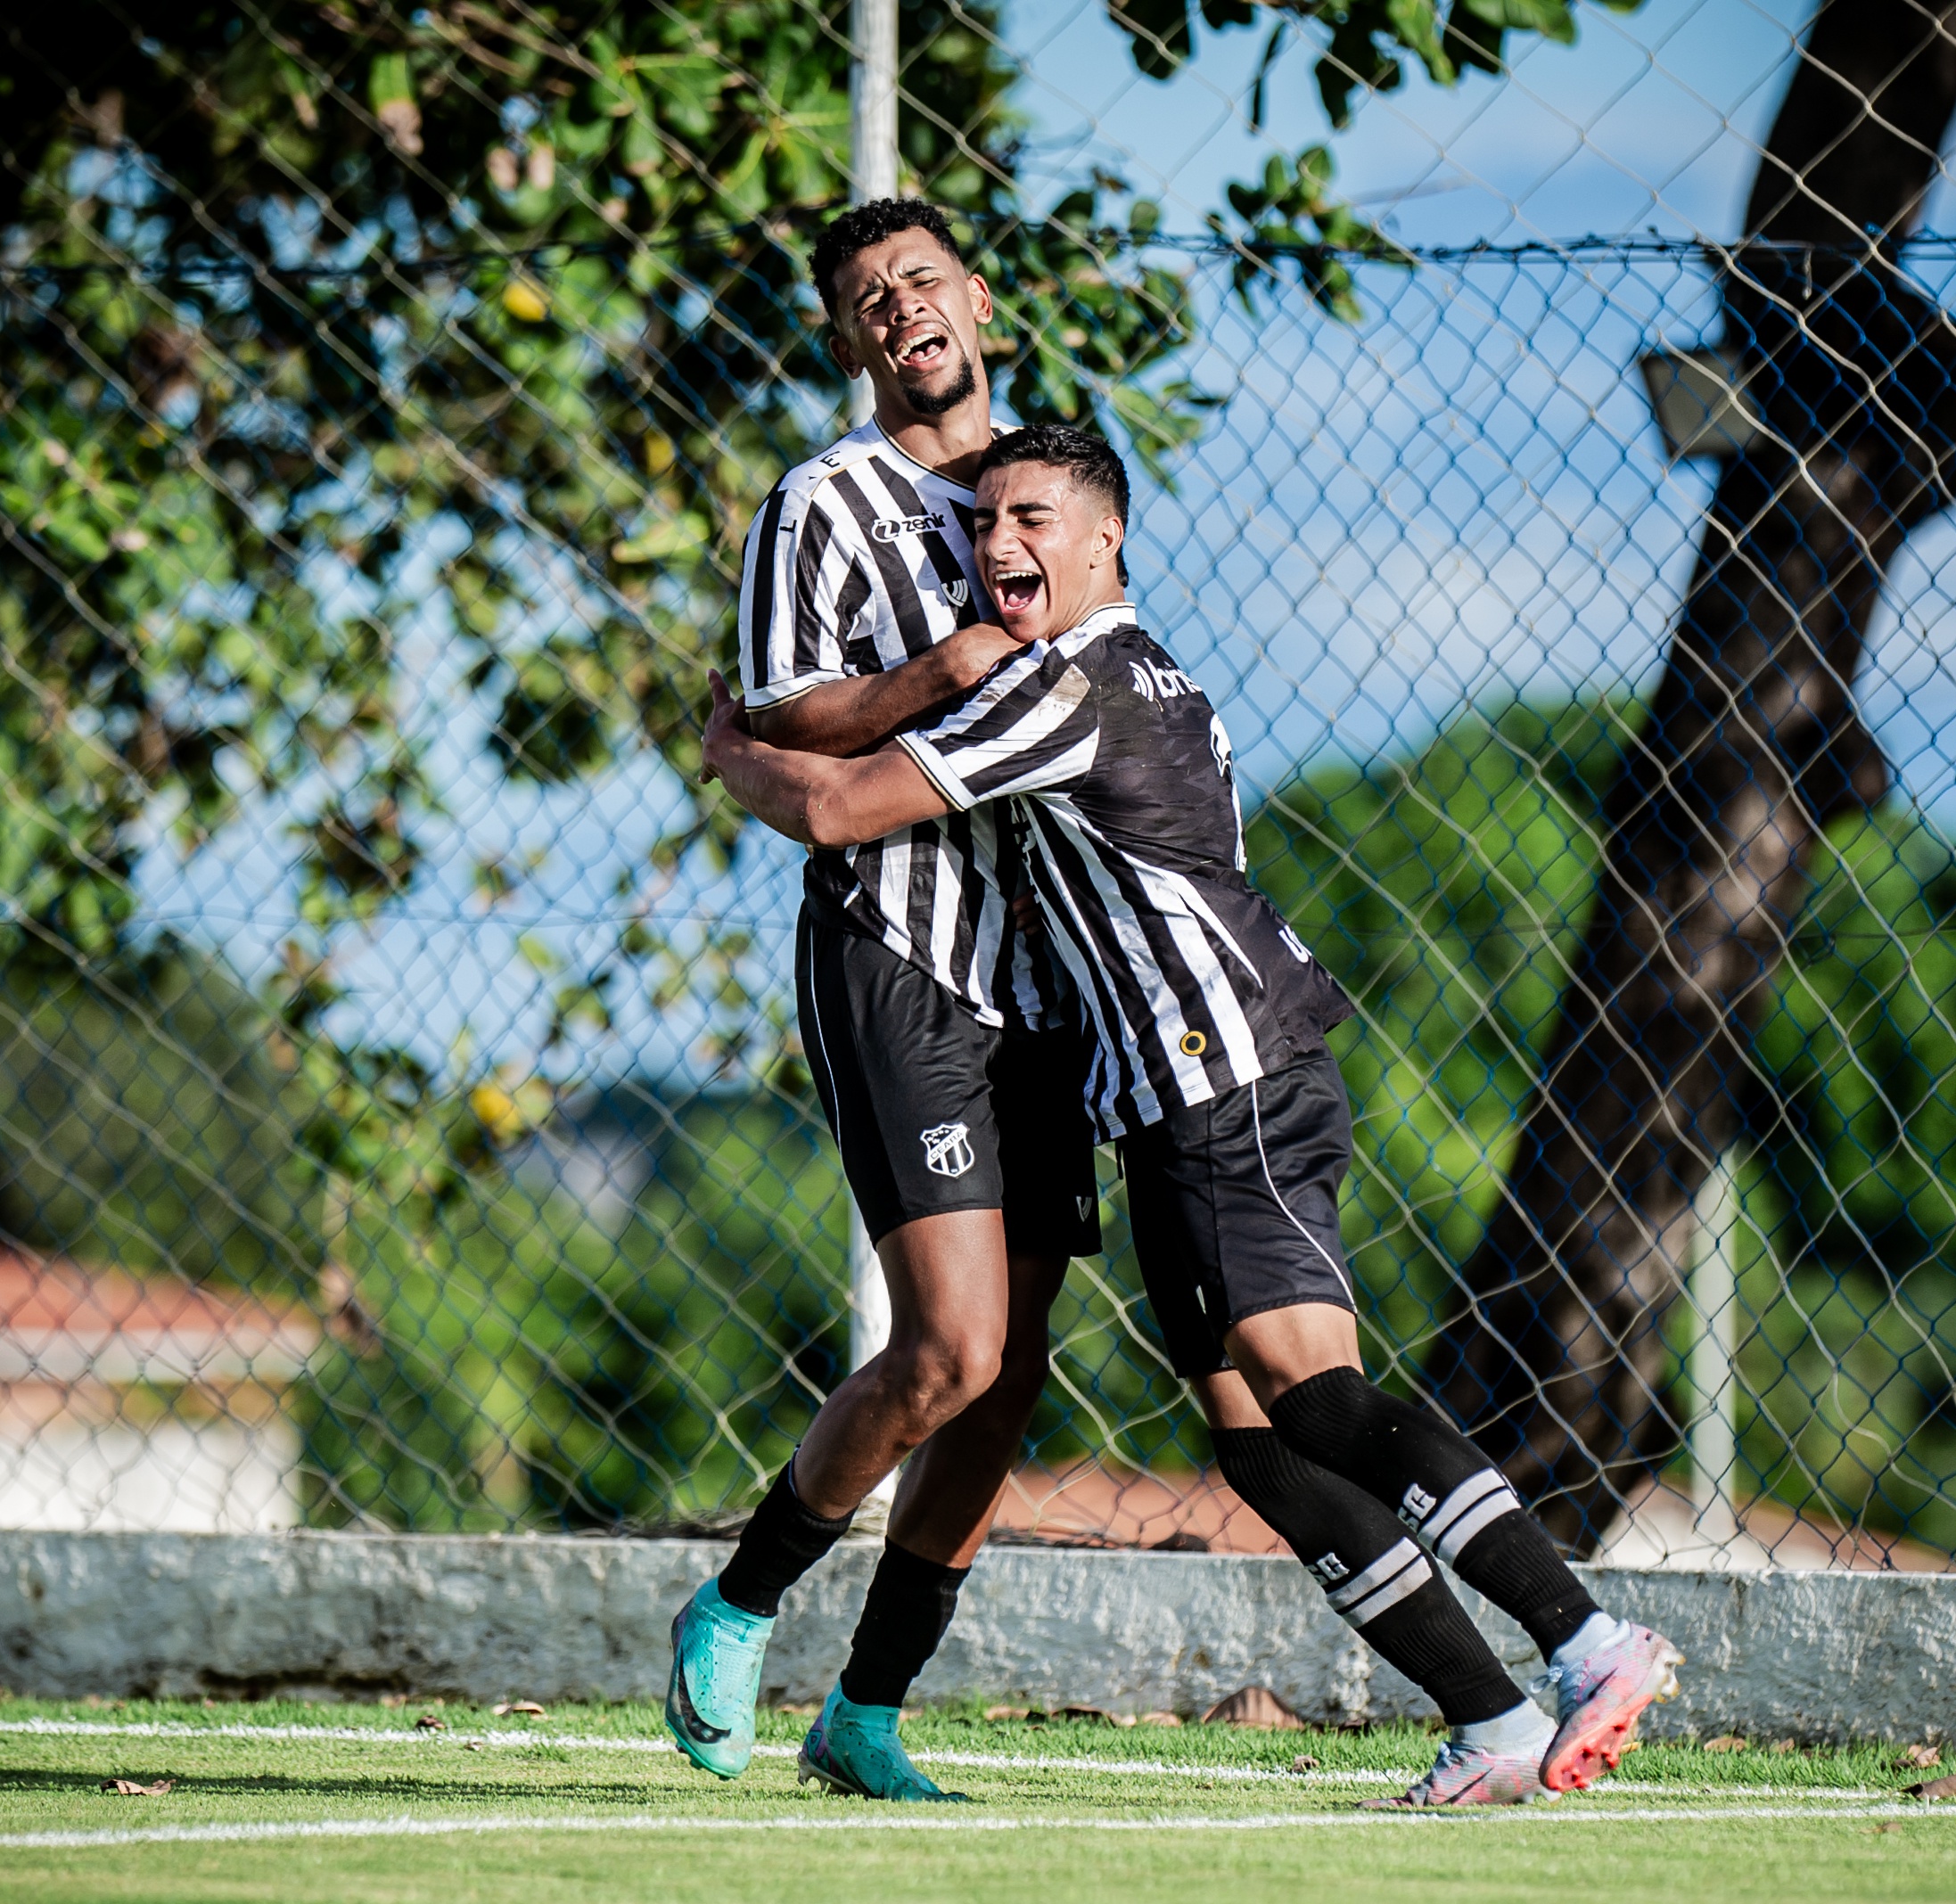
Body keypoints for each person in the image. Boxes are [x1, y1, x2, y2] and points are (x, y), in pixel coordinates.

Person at [700, 423, 1688, 1806]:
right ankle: (1493, 1721)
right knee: (1261, 1445)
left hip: (1222, 1086)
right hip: (1172, 1101)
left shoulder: (1067, 685)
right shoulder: (1153, 667)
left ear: (1106, 537)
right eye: (982, 524)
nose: (998, 547)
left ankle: (1585, 1642)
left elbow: (843, 807)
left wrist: (732, 746)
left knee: (1319, 1403)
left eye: (1033, 519)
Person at [662, 197, 1097, 1805]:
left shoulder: (1048, 484)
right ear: (850, 343)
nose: (900, 305)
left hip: (1056, 974)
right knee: (947, 1344)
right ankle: (742, 1598)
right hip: (896, 950)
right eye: (867, 297)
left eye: (922, 277)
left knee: (1017, 1363)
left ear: (977, 301)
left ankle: (869, 1714)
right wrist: (948, 666)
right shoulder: (822, 503)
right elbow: (783, 711)